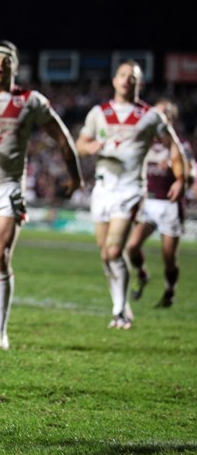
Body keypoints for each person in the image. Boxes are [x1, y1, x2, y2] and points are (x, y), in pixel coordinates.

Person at [0, 40, 83, 349]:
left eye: (6, 59)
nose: (0, 63)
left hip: (9, 187)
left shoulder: (30, 101)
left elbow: (61, 135)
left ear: (15, 66)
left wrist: (75, 177)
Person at [76, 60, 186, 329]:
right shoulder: (98, 113)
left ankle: (119, 312)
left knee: (115, 250)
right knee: (106, 254)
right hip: (102, 189)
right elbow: (80, 144)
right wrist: (92, 148)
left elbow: (175, 147)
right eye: (123, 75)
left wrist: (181, 179)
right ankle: (122, 305)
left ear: (140, 84)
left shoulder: (151, 116)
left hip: (130, 190)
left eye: (133, 77)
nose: (127, 80)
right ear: (114, 80)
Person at [126, 99, 193, 308]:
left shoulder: (180, 144)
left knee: (169, 258)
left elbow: (190, 175)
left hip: (169, 205)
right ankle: (142, 272)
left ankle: (169, 292)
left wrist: (177, 169)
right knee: (131, 247)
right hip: (149, 202)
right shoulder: (146, 141)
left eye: (163, 113)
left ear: (171, 119)